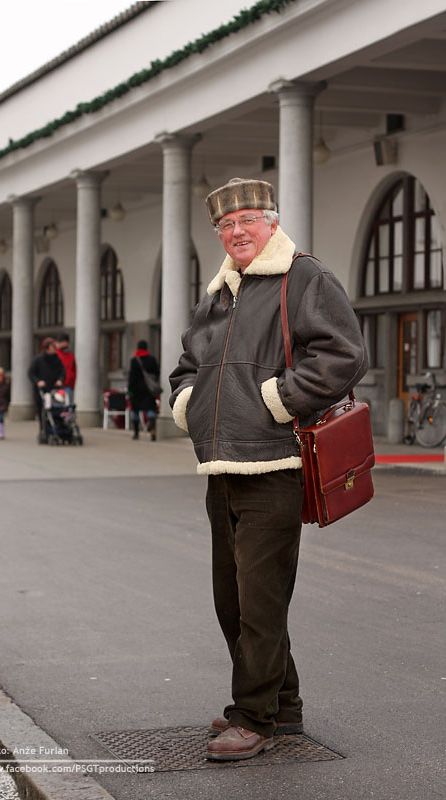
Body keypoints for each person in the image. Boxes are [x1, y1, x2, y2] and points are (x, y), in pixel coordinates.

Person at [169, 178, 368, 762]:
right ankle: (284, 704)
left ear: (272, 223)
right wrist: (189, 403)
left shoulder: (305, 277)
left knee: (259, 599)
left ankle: (252, 716)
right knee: (233, 598)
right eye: (226, 226)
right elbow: (186, 365)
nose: (236, 232)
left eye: (248, 220)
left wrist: (276, 400)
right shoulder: (219, 293)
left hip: (274, 464)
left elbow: (343, 354)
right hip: (221, 464)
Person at [27, 337, 65, 438]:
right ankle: (43, 430)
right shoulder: (38, 360)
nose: (55, 349)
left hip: (54, 390)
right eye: (53, 346)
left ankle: (57, 428)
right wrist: (38, 381)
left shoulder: (57, 359)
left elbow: (62, 372)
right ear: (47, 347)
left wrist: (60, 380)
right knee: (42, 411)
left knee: (57, 410)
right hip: (42, 391)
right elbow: (31, 373)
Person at [128, 340, 160, 441]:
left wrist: (130, 389)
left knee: (135, 411)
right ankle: (153, 430)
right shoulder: (152, 359)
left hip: (136, 390)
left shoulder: (134, 360)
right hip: (148, 390)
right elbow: (157, 373)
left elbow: (132, 376)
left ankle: (136, 433)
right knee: (150, 410)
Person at [55, 333, 77, 403]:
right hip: (56, 386)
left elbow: (73, 371)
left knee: (67, 407)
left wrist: (72, 385)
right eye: (62, 342)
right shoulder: (55, 354)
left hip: (67, 386)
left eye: (65, 342)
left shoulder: (70, 356)